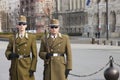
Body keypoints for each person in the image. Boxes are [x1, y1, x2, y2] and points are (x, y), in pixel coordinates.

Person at [5, 15, 37, 80]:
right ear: (17, 26)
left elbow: (34, 55)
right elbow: (7, 51)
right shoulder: (12, 38)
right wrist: (10, 54)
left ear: (26, 26)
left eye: (23, 24)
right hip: (15, 65)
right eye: (20, 24)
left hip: (27, 66)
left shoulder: (31, 38)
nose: (22, 26)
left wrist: (33, 68)